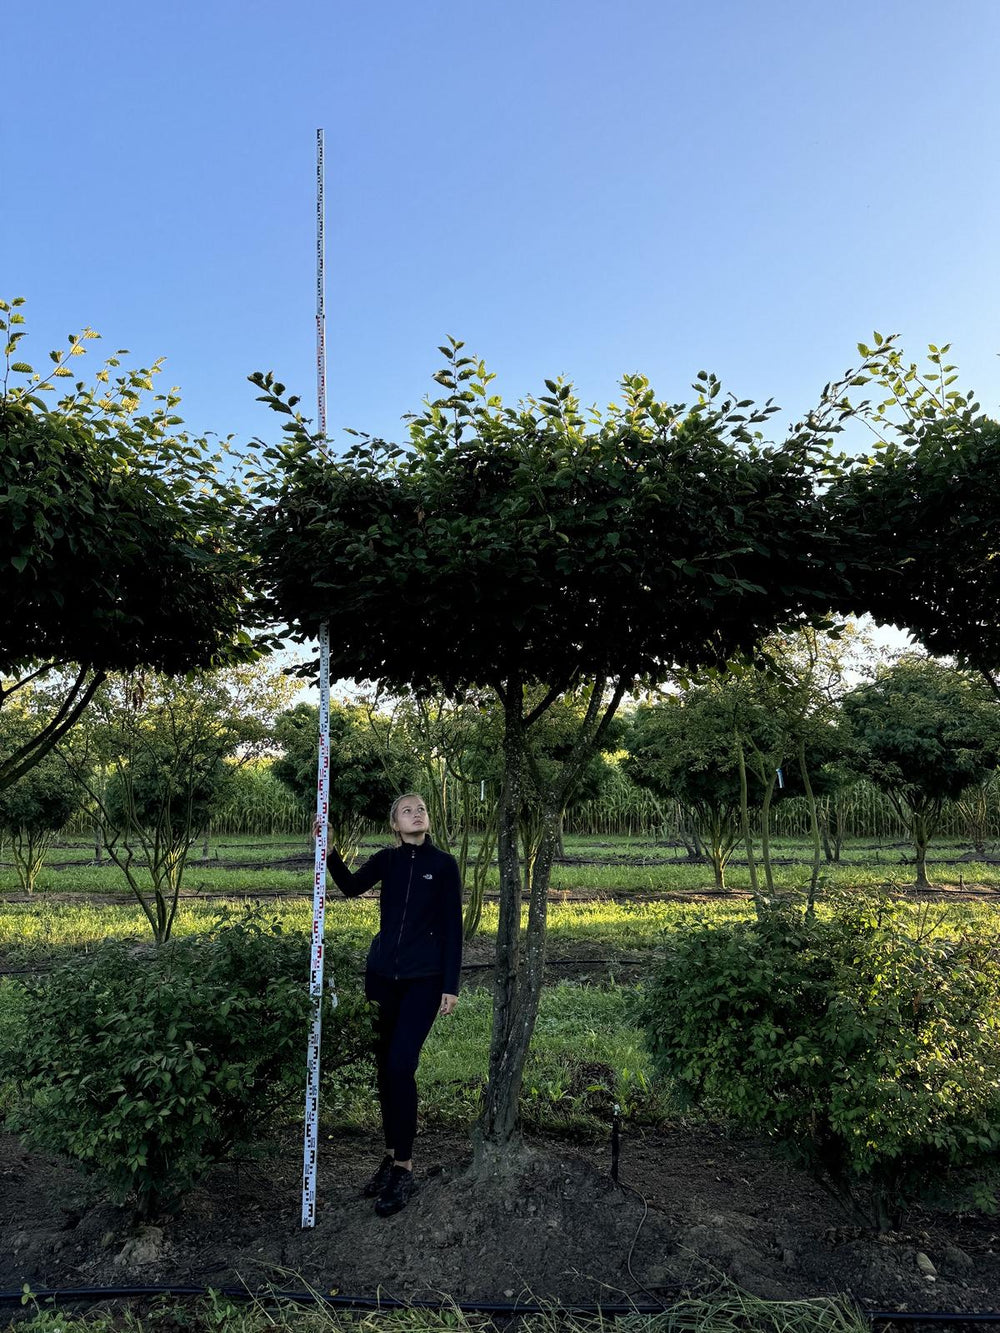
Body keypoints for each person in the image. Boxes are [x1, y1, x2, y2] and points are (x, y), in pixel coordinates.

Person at [315, 793, 462, 1217]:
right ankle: (390, 1153)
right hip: (381, 979)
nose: (416, 813)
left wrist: (449, 986)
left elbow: (453, 927)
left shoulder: (444, 865)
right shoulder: (387, 860)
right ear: (395, 825)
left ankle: (404, 1167)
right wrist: (329, 853)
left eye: (421, 809)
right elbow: (349, 887)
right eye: (406, 810)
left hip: (424, 982)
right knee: (385, 1070)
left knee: (401, 1065)